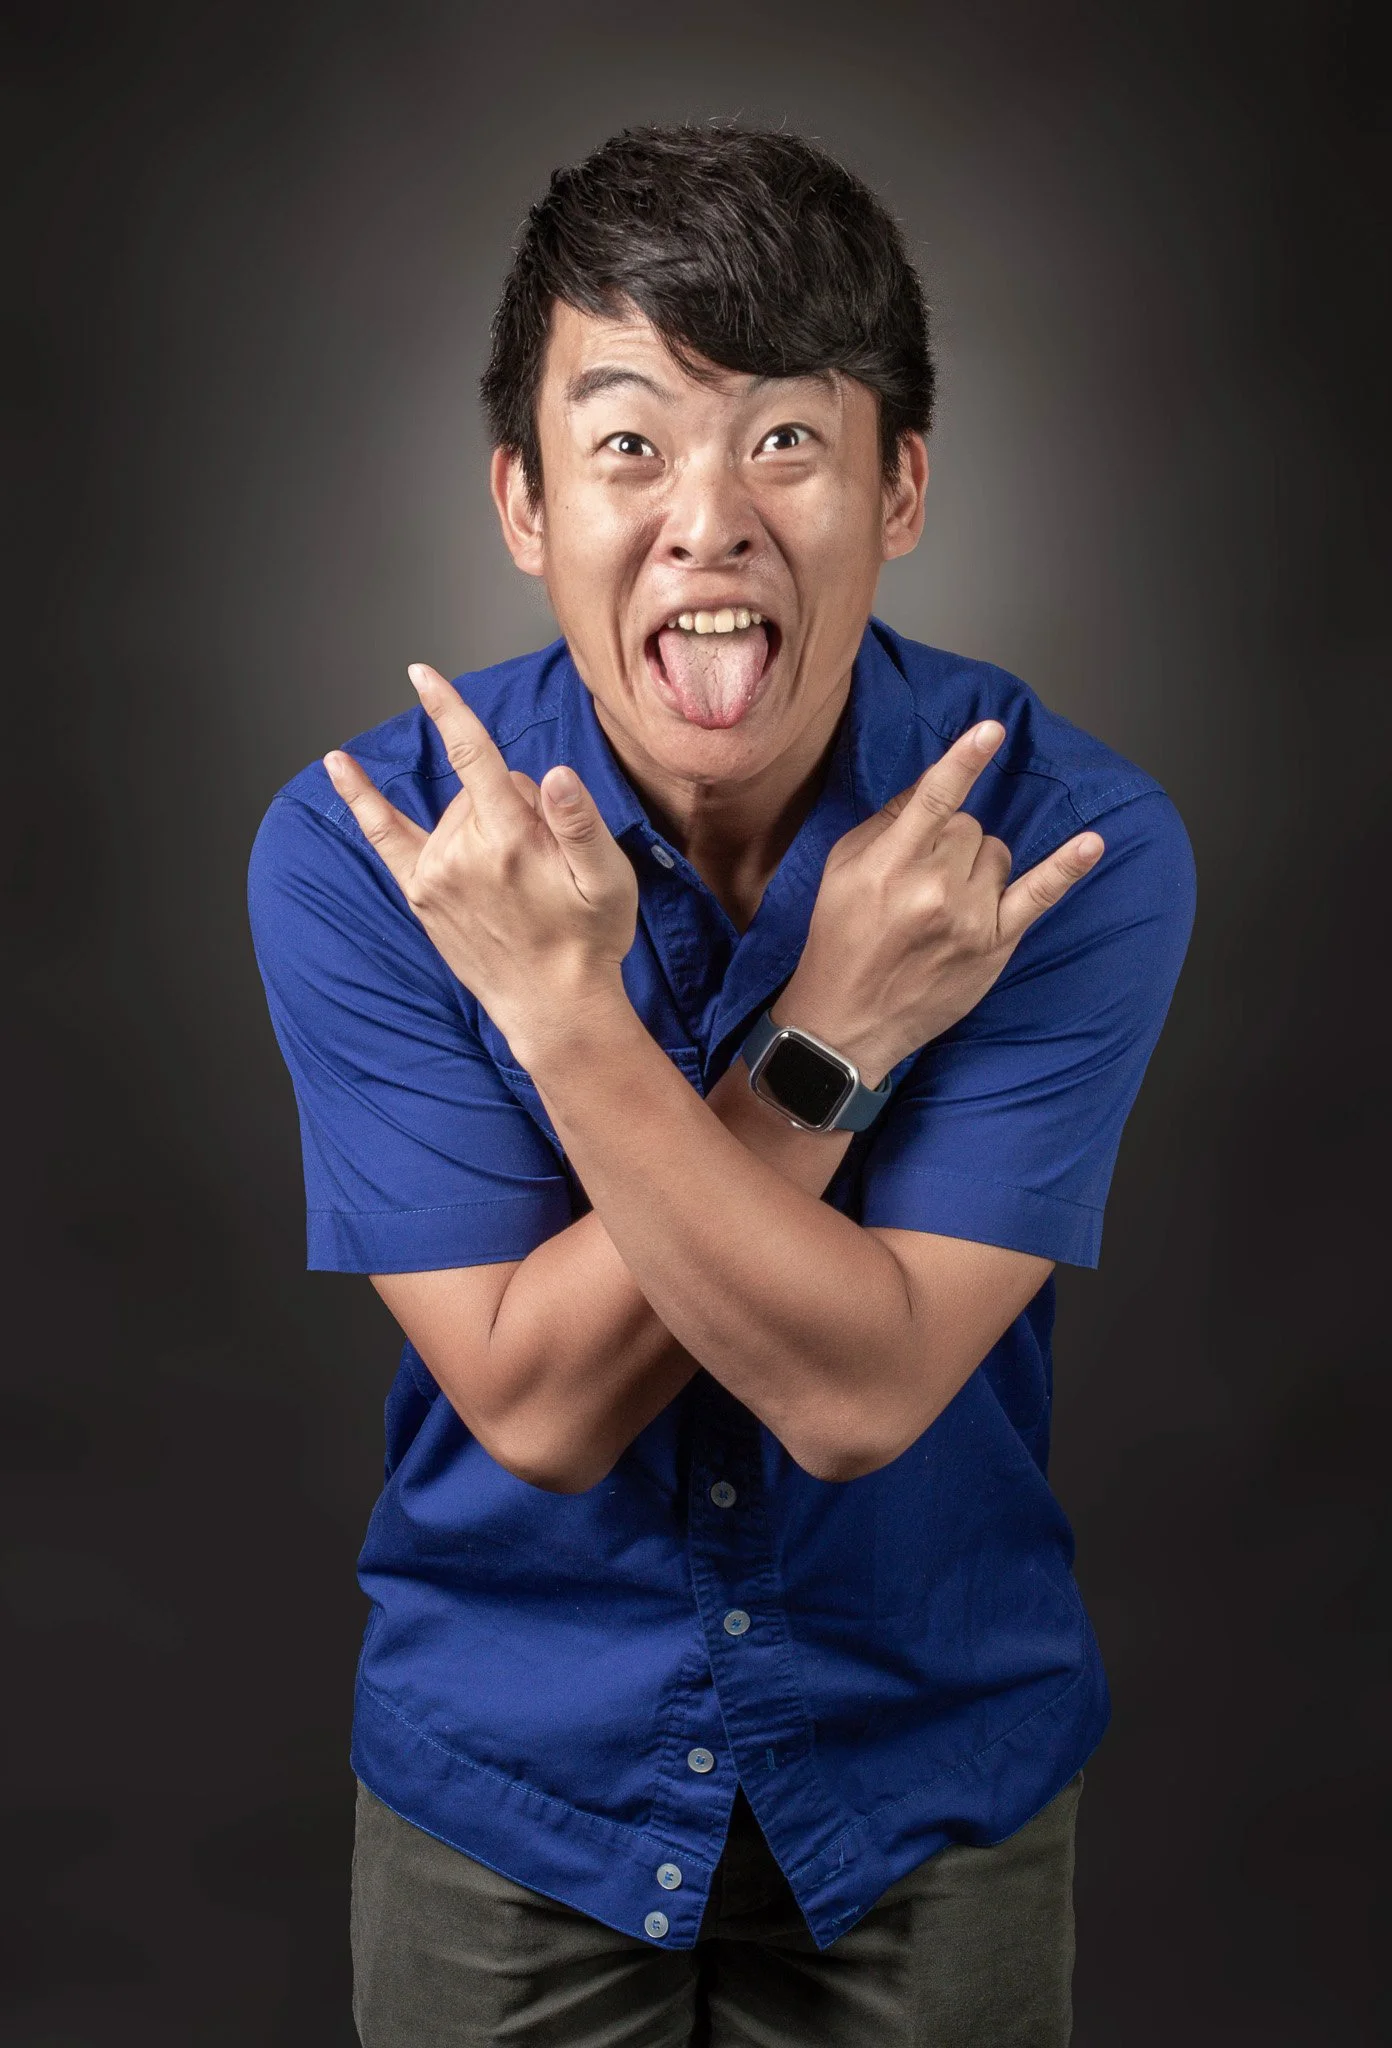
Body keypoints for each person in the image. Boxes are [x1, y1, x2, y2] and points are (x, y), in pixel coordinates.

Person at [248, 123, 1195, 2047]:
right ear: (523, 503)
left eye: (783, 440)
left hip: (934, 1782)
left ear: (898, 485)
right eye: (629, 444)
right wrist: (806, 1040)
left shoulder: (1062, 848)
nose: (709, 522)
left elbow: (856, 1394)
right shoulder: (368, 850)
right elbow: (533, 1402)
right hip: (511, 1788)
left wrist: (581, 1036)